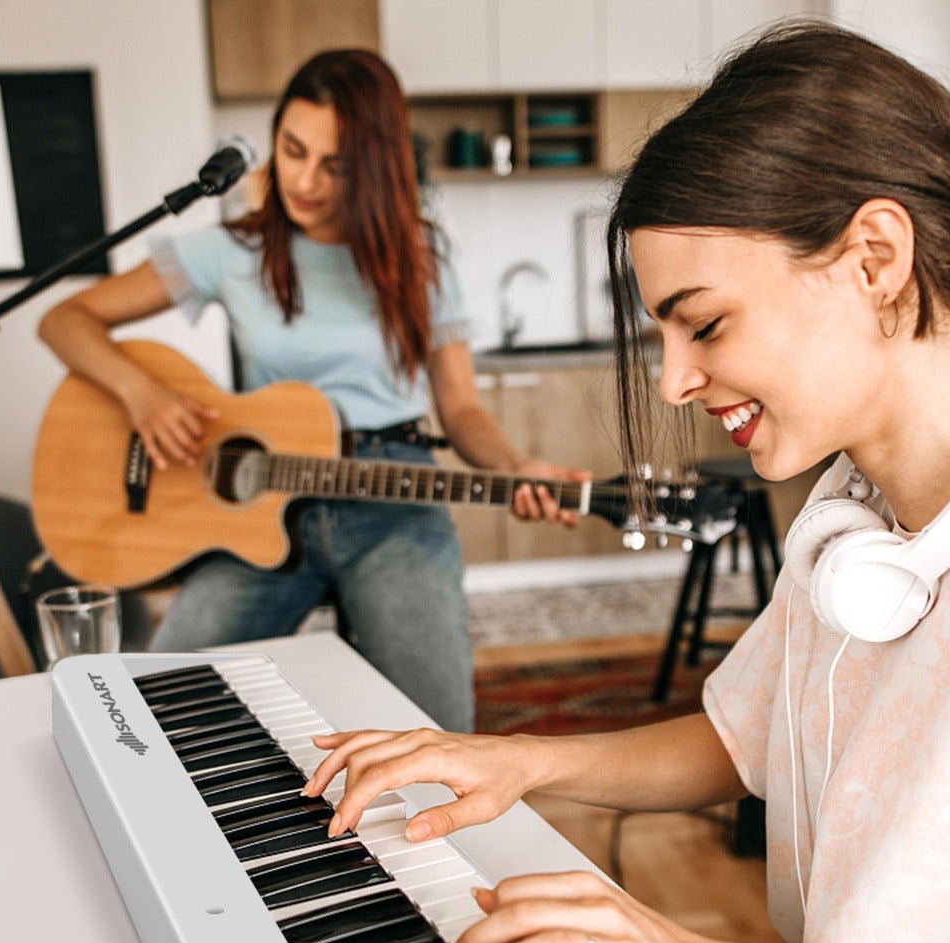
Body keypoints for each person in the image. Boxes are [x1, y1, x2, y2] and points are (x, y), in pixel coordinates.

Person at [303, 23, 950, 943]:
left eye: (707, 321)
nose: (677, 380)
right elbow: (743, 738)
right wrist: (522, 762)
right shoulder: (854, 505)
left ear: (876, 259)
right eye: (662, 333)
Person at [39, 49, 584, 734]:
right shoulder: (228, 252)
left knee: (438, 733)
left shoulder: (422, 258)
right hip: (257, 507)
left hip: (393, 500)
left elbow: (462, 407)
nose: (303, 180)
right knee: (153, 710)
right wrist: (139, 393)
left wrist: (512, 467)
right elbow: (64, 319)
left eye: (335, 165)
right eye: (292, 150)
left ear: (375, 167)